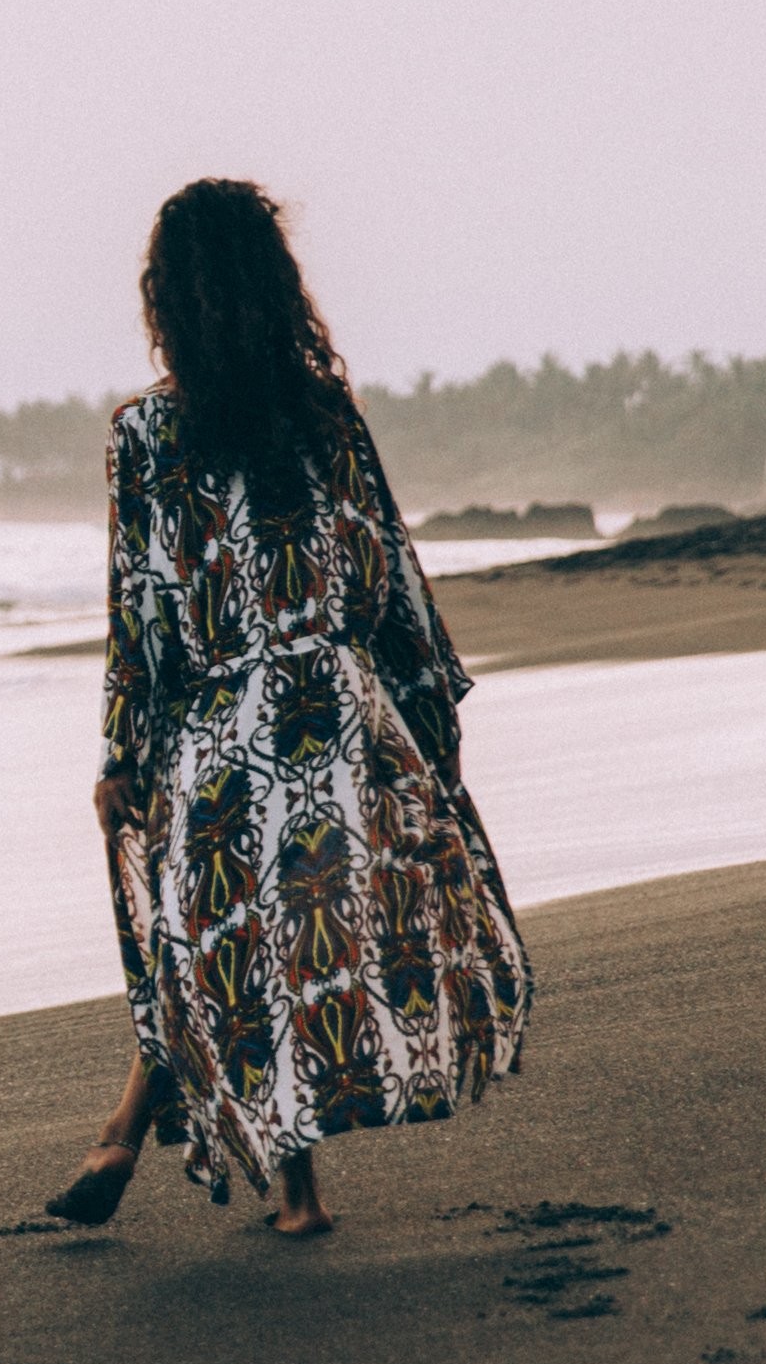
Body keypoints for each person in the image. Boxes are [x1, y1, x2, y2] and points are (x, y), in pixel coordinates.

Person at [45, 180, 533, 1244]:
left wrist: (120, 751)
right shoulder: (324, 416)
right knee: (304, 941)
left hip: (222, 725)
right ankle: (195, 1154)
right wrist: (427, 724)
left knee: (222, 944)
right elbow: (389, 571)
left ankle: (242, 1171)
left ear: (165, 295)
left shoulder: (145, 437)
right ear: (277, 286)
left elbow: (142, 611)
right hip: (339, 711)